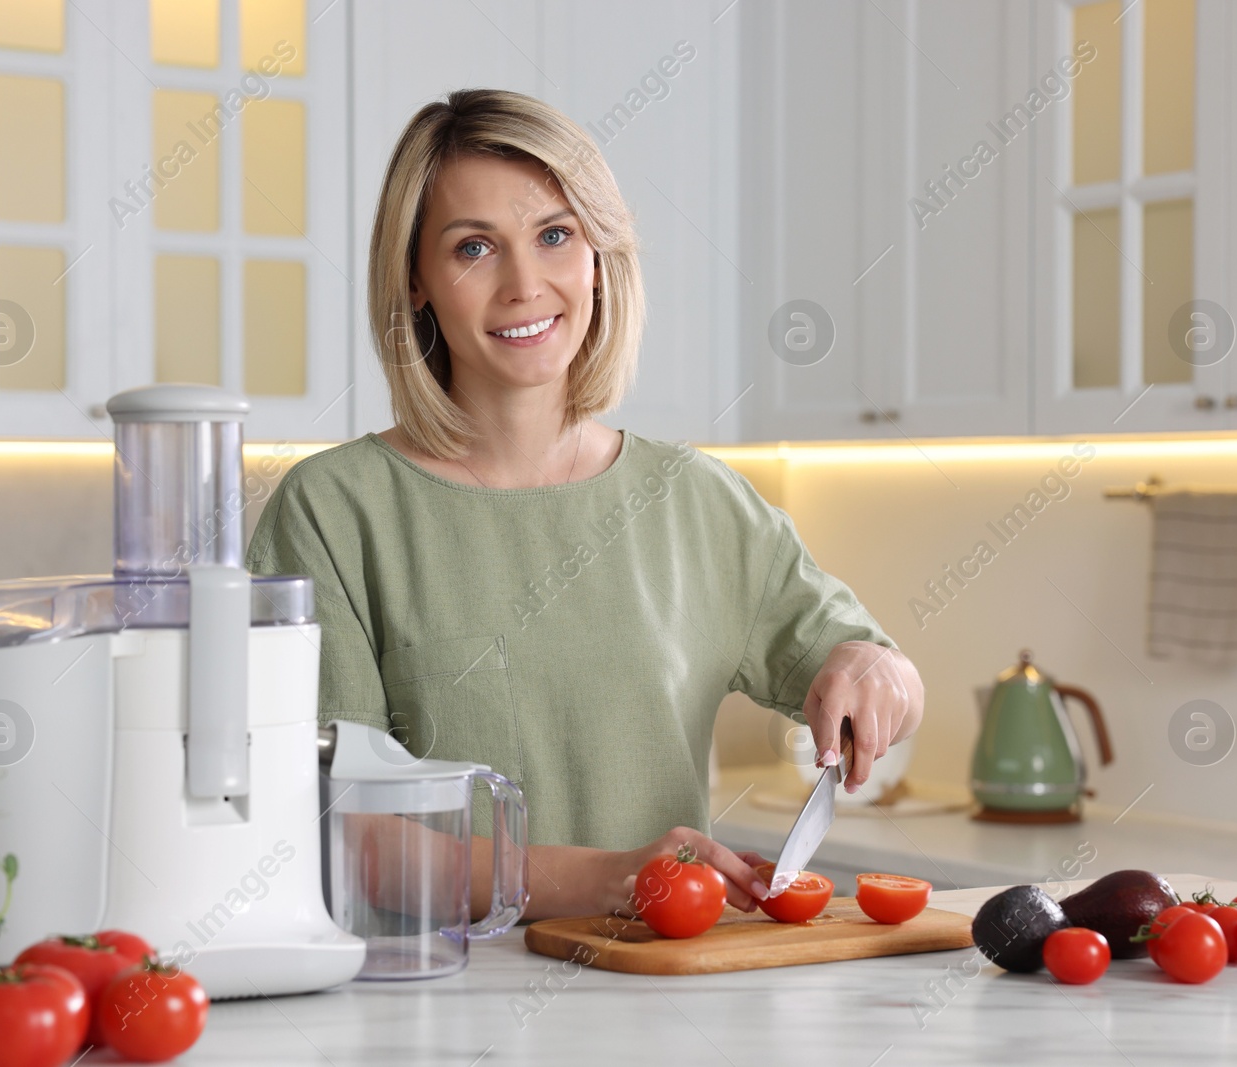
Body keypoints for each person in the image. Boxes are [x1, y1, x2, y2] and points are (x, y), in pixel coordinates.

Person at [245, 88, 923, 923]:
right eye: (473, 248)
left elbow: (876, 672)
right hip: (432, 1017)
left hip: (663, 1009)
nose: (524, 284)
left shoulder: (696, 501)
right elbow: (349, 838)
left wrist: (874, 668)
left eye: (555, 236)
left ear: (599, 258)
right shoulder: (333, 513)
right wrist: (609, 878)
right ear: (415, 280)